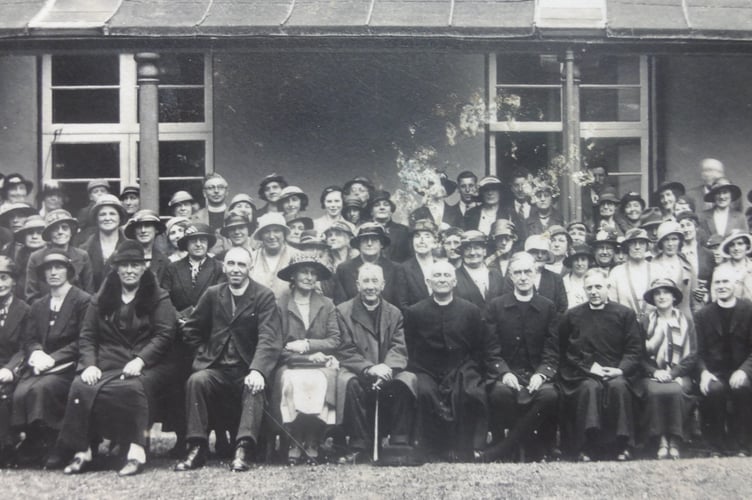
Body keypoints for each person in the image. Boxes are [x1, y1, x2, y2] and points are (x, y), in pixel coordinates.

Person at [58, 241, 177, 476]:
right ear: (116, 268)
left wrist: (141, 360)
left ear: (144, 268)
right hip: (107, 360)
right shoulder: (101, 298)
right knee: (81, 385)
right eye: (125, 265)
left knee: (133, 388)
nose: (130, 270)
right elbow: (88, 335)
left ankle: (135, 453)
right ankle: (83, 452)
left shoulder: (158, 297)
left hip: (148, 362)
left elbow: (165, 334)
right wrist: (90, 365)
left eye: (135, 265)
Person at [175, 246, 283, 472]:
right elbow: (191, 330)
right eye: (231, 264)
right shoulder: (213, 294)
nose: (236, 269)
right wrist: (204, 354)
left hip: (246, 369)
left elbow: (269, 338)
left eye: (242, 265)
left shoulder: (263, 295)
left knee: (253, 387)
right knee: (197, 380)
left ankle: (242, 448)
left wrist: (258, 370)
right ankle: (197, 447)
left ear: (250, 268)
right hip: (217, 369)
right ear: (224, 267)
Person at [405, 260, 501, 460]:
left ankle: (463, 447)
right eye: (437, 276)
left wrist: (467, 368)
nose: (442, 280)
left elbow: (478, 346)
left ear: (454, 281)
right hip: (426, 369)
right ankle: (433, 447)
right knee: (424, 392)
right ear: (428, 281)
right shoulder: (415, 312)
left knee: (469, 391)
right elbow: (410, 347)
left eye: (446, 276)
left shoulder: (470, 310)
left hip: (462, 366)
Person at [11, 249, 90, 468]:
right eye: (48, 269)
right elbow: (30, 338)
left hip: (68, 366)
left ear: (68, 271)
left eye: (59, 267)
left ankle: (58, 443)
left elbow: (84, 338)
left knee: (42, 389)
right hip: (40, 365)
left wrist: (53, 359)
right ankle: (35, 440)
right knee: (21, 391)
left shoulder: (82, 301)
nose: (53, 272)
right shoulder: (39, 304)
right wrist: (36, 352)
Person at [558, 268, 643, 461]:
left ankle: (623, 446)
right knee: (589, 388)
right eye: (589, 288)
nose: (594, 291)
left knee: (618, 386)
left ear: (608, 287)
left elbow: (634, 350)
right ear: (584, 290)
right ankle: (586, 447)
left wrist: (619, 369)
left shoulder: (625, 314)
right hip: (583, 373)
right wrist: (589, 369)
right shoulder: (572, 316)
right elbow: (566, 351)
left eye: (598, 286)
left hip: (617, 371)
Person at [481, 252, 559, 462]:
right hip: (507, 373)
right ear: (510, 276)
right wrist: (504, 373)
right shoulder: (496, 306)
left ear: (535, 274)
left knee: (549, 395)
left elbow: (552, 350)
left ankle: (503, 449)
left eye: (527, 272)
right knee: (500, 394)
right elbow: (491, 349)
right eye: (518, 272)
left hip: (536, 374)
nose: (523, 277)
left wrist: (542, 375)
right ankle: (529, 446)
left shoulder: (548, 307)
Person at [336, 263, 417, 464]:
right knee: (349, 384)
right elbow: (344, 349)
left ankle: (399, 443)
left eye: (375, 281)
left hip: (388, 370)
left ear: (383, 285)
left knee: (407, 380)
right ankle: (359, 445)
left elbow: (399, 347)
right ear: (357, 285)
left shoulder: (395, 313)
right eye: (366, 281)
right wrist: (369, 368)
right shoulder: (342, 311)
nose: (370, 286)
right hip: (359, 370)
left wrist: (387, 367)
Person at [272, 254, 340, 464]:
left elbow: (334, 339)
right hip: (289, 363)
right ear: (293, 275)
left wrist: (308, 346)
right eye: (304, 272)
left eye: (313, 273)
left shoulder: (327, 304)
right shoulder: (279, 304)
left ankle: (312, 438)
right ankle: (294, 437)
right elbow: (274, 342)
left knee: (321, 380)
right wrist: (300, 356)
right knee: (293, 381)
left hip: (320, 362)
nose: (309, 277)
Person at [695, 263, 752, 456]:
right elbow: (698, 351)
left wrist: (744, 370)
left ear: (735, 283)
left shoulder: (749, 309)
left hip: (742, 369)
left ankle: (741, 445)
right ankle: (715, 447)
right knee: (715, 390)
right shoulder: (703, 314)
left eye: (726, 281)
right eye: (717, 282)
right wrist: (703, 372)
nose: (721, 286)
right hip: (714, 371)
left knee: (742, 387)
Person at [639, 278, 697, 460]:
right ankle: (661, 440)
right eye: (657, 293)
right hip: (653, 374)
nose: (661, 296)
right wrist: (655, 372)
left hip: (680, 373)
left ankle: (675, 440)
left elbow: (693, 354)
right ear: (652, 298)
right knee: (655, 391)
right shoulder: (645, 321)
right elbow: (638, 355)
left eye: (666, 292)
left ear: (674, 296)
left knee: (676, 390)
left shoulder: (686, 320)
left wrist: (673, 373)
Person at [25, 209, 95, 302]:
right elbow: (31, 295)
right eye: (55, 228)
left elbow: (89, 291)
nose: (60, 232)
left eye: (64, 228)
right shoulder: (36, 258)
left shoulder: (82, 256)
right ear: (49, 234)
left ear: (71, 232)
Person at [0, 256, 30, 467]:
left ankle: (6, 448)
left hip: (15, 367)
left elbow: (25, 347)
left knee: (4, 393)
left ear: (14, 281)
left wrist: (10, 369)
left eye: (4, 278)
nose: (0, 284)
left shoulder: (24, 310)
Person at [333, 222, 398, 306]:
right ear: (359, 244)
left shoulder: (394, 269)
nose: (369, 244)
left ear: (381, 244)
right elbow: (340, 303)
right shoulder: (344, 269)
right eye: (365, 240)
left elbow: (398, 303)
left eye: (374, 240)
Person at [78, 194, 126, 291]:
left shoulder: (130, 247)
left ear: (119, 218)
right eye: (102, 214)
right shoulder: (83, 250)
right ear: (96, 219)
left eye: (112, 214)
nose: (107, 218)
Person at [608, 228, 654, 321]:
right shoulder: (616, 272)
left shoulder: (657, 270)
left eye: (641, 243)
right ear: (627, 246)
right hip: (625, 325)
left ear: (646, 246)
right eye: (633, 243)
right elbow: (612, 304)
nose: (637, 247)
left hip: (654, 325)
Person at [250, 213, 298, 299]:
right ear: (261, 235)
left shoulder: (297, 256)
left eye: (276, 231)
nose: (271, 236)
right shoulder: (251, 258)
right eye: (266, 232)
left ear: (284, 234)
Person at [454, 230, 505, 312]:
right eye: (467, 248)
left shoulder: (496, 275)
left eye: (477, 248)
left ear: (484, 251)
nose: (472, 253)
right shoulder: (454, 277)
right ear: (462, 252)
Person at [651, 221, 693, 318]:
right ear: (661, 242)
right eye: (666, 240)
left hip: (684, 319)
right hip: (659, 319)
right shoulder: (652, 265)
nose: (670, 244)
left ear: (680, 241)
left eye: (674, 239)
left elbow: (695, 301)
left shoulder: (687, 265)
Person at [395, 219, 437, 312]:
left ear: (435, 243)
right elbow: (402, 304)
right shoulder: (404, 268)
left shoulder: (441, 266)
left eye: (427, 236)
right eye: (417, 236)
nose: (421, 241)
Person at [677, 211, 715, 310]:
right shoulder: (676, 254)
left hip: (702, 305)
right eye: (682, 226)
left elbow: (713, 282)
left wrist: (707, 296)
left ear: (696, 227)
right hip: (681, 304)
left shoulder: (708, 254)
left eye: (689, 225)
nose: (686, 229)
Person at [123, 209, 170, 283]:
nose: (143, 230)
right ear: (134, 231)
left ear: (156, 230)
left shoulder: (164, 261)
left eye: (147, 226)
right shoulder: (124, 257)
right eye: (139, 226)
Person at [7, 215, 46, 298]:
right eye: (30, 233)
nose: (34, 237)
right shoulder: (20, 256)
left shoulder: (50, 256)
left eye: (39, 233)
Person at [191, 173, 229, 255]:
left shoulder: (235, 215)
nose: (216, 191)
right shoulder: (195, 218)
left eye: (220, 187)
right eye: (211, 188)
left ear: (226, 192)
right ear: (204, 193)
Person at [368, 190, 410, 264]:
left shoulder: (403, 231)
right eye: (377, 205)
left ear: (391, 210)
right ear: (371, 211)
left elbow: (409, 258)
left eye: (386, 204)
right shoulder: (365, 230)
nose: (382, 208)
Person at [716, 229, 752, 301]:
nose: (736, 248)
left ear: (747, 246)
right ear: (728, 249)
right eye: (732, 245)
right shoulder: (720, 271)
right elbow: (716, 299)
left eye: (740, 243)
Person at [562, 244, 593, 309]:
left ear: (588, 262)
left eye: (583, 259)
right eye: (576, 260)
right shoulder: (563, 282)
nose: (579, 263)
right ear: (571, 262)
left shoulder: (595, 280)